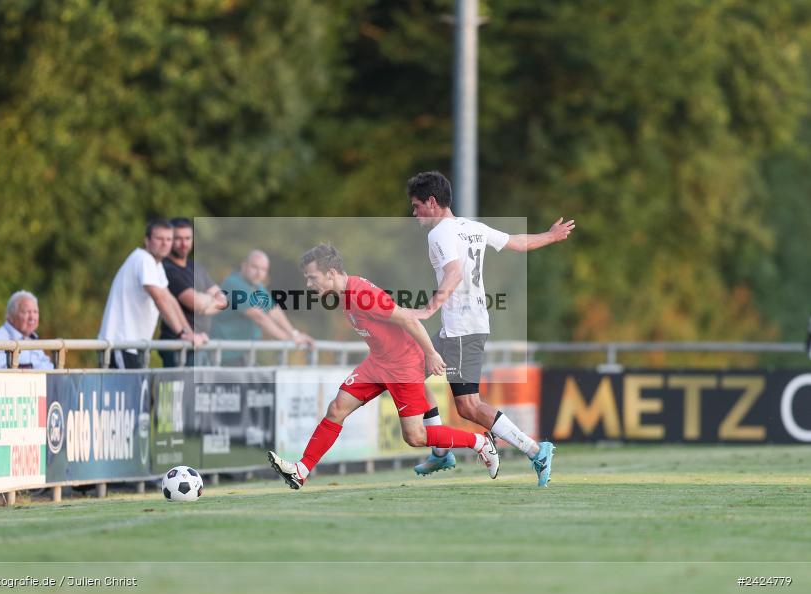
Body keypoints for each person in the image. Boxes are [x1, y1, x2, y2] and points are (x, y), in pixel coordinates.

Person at [267, 244, 500, 490]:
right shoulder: (346, 293)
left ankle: (481, 443)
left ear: (331, 273)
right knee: (336, 409)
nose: (308, 284)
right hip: (378, 362)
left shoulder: (361, 295)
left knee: (415, 436)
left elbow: (407, 319)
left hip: (402, 366)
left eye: (312, 277)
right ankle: (301, 471)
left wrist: (431, 354)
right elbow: (397, 314)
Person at [406, 170, 575, 487]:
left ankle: (536, 450)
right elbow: (517, 243)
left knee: (469, 406)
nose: (414, 214)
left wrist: (429, 308)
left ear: (431, 202)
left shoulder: (439, 233)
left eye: (416, 206)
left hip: (461, 330)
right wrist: (550, 236)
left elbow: (454, 273)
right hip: (461, 328)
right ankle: (442, 449)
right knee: (409, 373)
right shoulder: (471, 227)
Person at [98, 219, 207, 369]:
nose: (165, 243)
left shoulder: (157, 264)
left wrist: (190, 333)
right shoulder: (143, 259)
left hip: (132, 346)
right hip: (120, 343)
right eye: (159, 238)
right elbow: (159, 298)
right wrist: (181, 333)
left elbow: (170, 299)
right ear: (147, 240)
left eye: (169, 239)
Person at [210, 249, 313, 365]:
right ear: (244, 266)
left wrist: (295, 334)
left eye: (263, 269)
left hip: (244, 355)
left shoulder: (257, 286)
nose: (259, 273)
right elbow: (259, 317)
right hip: (224, 356)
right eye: (254, 267)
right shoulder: (234, 283)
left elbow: (273, 310)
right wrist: (289, 339)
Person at [159, 217, 228, 367]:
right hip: (179, 346)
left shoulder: (195, 267)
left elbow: (224, 301)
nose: (184, 244)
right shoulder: (167, 269)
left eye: (187, 238)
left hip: (201, 342)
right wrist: (208, 300)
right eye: (178, 239)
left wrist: (204, 304)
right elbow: (195, 303)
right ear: (170, 239)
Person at [0, 290, 55, 369]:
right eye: (26, 312)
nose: (32, 317)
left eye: (35, 312)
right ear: (10, 316)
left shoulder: (32, 339)